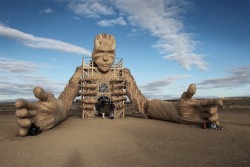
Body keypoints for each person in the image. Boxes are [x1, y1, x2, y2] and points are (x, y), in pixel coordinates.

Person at [15, 34, 223, 137]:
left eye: (110, 54)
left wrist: (173, 111)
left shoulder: (123, 74)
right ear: (92, 54)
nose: (105, 59)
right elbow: (66, 100)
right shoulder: (82, 73)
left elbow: (144, 104)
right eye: (100, 53)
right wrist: (56, 112)